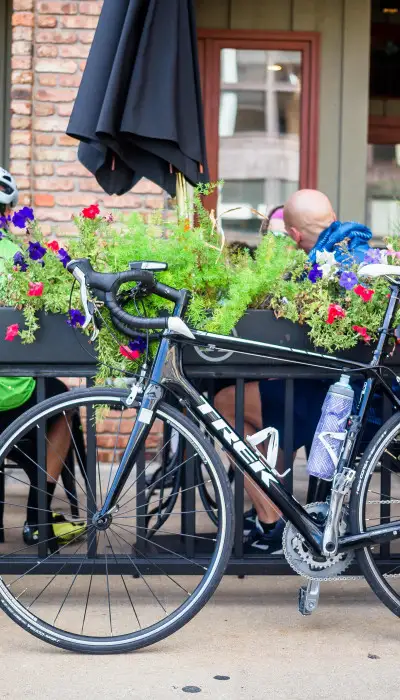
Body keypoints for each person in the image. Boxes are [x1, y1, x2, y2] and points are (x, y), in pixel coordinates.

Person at [215, 189, 374, 554]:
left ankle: (272, 520)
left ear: (294, 236)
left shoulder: (319, 268)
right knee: (264, 406)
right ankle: (277, 511)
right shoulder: (360, 251)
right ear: (333, 215)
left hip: (325, 399)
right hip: (352, 393)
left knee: (227, 401)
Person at [0, 167, 86, 547]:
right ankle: (38, 517)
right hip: (11, 396)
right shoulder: (17, 257)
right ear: (7, 212)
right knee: (65, 404)